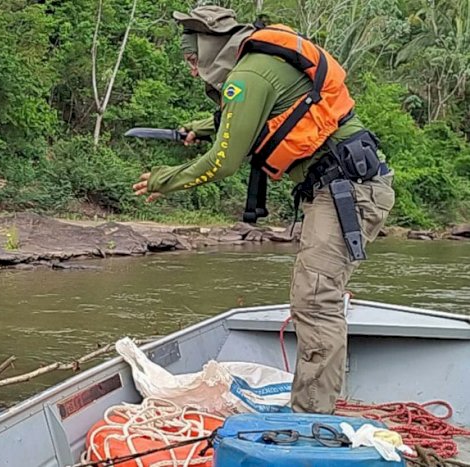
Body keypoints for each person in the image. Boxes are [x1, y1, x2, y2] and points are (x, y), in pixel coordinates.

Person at [131, 5, 395, 414]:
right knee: (312, 298)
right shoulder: (256, 66)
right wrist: (199, 129)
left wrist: (166, 179)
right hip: (338, 187)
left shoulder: (249, 75)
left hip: (348, 190)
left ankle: (311, 421)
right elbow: (255, 118)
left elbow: (225, 161)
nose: (191, 69)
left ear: (211, 47)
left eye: (191, 59)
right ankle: (314, 406)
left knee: (314, 302)